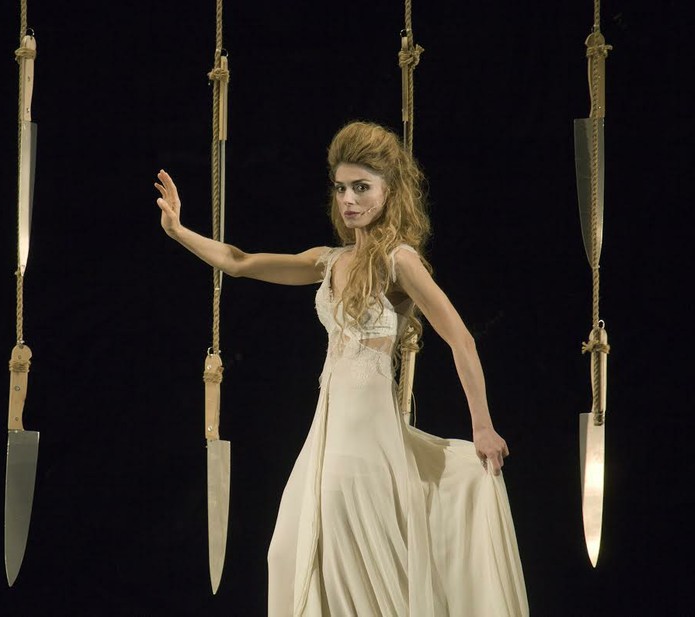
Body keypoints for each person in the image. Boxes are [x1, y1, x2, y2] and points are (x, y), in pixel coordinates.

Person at [155, 121, 528, 616]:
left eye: (361, 187)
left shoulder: (399, 260)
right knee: (288, 551)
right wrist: (179, 231)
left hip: (368, 436)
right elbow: (240, 261)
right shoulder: (328, 260)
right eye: (340, 188)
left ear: (389, 191)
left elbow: (460, 338)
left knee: (350, 554)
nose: (348, 199)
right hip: (328, 430)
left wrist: (482, 425)